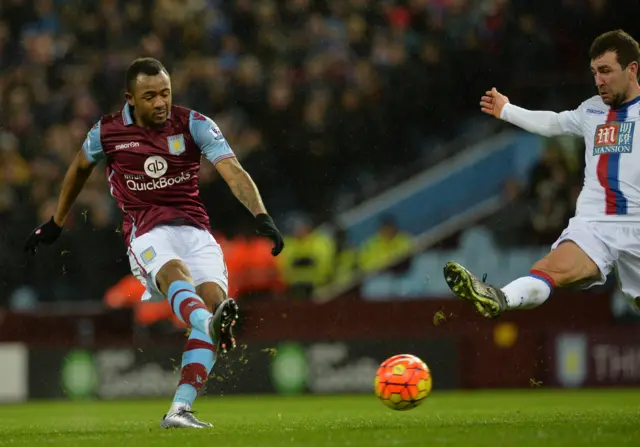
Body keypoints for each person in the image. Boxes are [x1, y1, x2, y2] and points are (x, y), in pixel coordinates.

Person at [24, 58, 285, 428]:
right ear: (130, 98)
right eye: (150, 96)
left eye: (165, 93)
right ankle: (205, 322)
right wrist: (56, 221)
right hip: (146, 231)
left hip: (196, 232)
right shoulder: (107, 132)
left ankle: (179, 409)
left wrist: (261, 215)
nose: (161, 102)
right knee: (183, 285)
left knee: (215, 302)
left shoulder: (194, 124)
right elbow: (79, 168)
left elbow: (233, 171)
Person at [444, 30, 640, 318]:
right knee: (549, 269)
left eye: (606, 71)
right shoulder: (592, 110)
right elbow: (554, 123)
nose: (599, 81)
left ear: (632, 69)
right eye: (594, 72)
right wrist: (507, 110)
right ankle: (500, 297)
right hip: (595, 224)